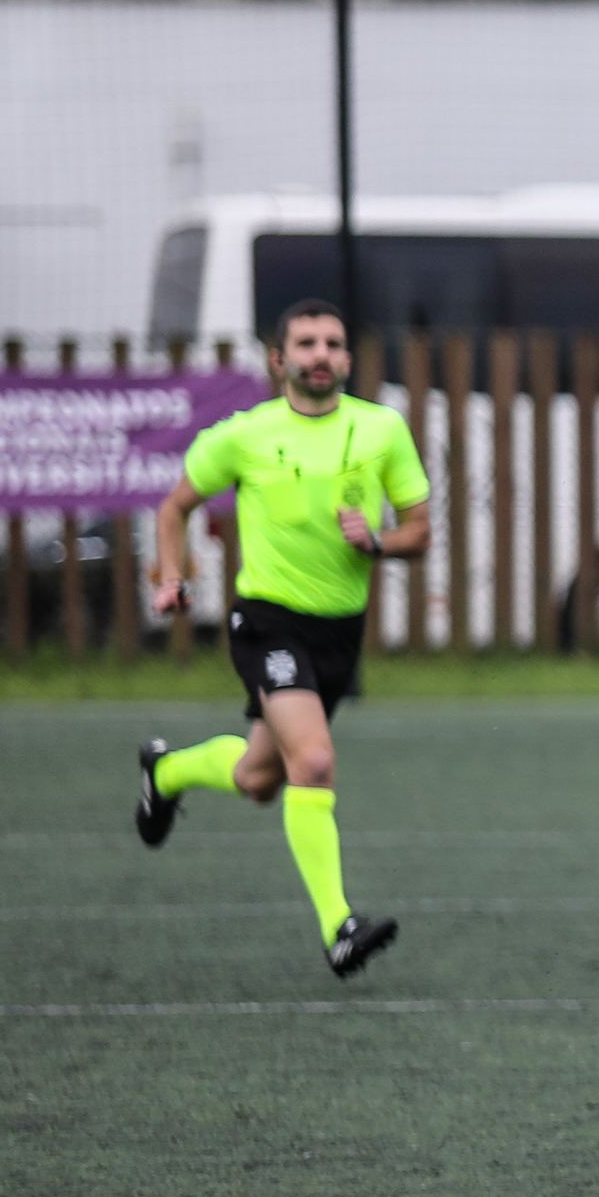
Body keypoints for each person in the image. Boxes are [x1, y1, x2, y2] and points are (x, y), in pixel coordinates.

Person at [133, 299, 429, 978]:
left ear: (347, 359)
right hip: (266, 620)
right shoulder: (244, 435)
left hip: (338, 633)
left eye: (332, 342)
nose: (320, 354)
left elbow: (420, 531)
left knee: (260, 779)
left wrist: (380, 541)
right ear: (279, 359)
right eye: (306, 343)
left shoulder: (381, 429)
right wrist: (170, 576)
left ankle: (167, 771)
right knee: (315, 763)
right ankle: (339, 927)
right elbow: (174, 506)